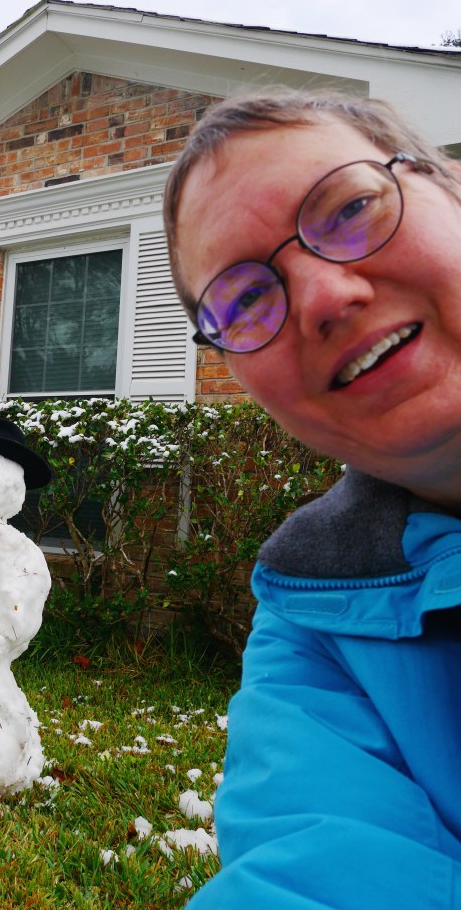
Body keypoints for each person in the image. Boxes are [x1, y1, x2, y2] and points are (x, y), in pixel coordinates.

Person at [163, 88, 461, 909]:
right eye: (244, 301)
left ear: (450, 187)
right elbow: (320, 867)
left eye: (352, 208)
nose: (325, 298)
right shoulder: (316, 616)